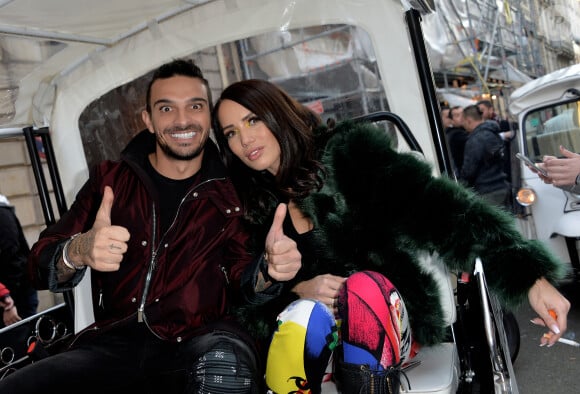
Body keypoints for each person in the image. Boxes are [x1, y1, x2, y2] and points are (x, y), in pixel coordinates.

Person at [212, 79, 570, 393]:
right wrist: (293, 288)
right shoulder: (248, 207)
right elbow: (244, 303)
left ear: (277, 113)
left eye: (252, 120)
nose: (244, 139)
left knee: (363, 290)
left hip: (385, 318)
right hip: (312, 340)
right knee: (302, 316)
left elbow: (443, 212)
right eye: (230, 132)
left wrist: (530, 279)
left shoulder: (350, 156)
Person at [0, 60, 301, 394]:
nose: (183, 120)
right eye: (167, 107)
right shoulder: (110, 180)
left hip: (203, 340)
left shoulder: (232, 190)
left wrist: (270, 271)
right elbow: (37, 266)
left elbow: (244, 276)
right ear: (147, 119)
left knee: (223, 368)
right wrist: (77, 251)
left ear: (208, 117)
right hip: (114, 344)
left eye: (195, 106)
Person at [460, 104, 511, 208]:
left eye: (463, 121)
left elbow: (469, 170)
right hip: (502, 186)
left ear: (469, 120)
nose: (463, 125)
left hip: (487, 192)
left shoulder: (475, 140)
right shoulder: (493, 133)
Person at [0, 194, 38, 326]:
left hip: (16, 299)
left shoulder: (2, 215)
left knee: (21, 341)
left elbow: (12, 260)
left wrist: (8, 305)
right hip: (11, 296)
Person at [445, 106, 469, 177]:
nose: (461, 117)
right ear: (451, 120)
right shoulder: (457, 135)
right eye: (457, 115)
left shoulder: (462, 132)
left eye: (463, 114)